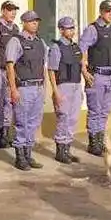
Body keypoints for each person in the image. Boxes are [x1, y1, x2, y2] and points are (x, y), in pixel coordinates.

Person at [4, 10, 48, 171]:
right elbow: (10, 66)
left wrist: (44, 88)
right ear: (24, 23)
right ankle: (20, 157)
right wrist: (13, 89)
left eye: (36, 21)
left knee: (33, 123)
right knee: (22, 123)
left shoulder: (40, 42)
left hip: (38, 87)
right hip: (24, 87)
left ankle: (28, 154)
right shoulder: (16, 41)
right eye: (31, 21)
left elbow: (43, 66)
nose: (35, 24)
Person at [79, 0, 111, 157]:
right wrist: (84, 70)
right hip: (97, 75)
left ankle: (100, 140)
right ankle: (93, 143)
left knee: (105, 110)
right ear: (101, 12)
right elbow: (82, 49)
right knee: (95, 110)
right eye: (108, 11)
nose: (110, 14)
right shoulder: (92, 29)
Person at [47, 16, 83, 165]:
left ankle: (67, 149)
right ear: (61, 30)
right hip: (63, 86)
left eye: (73, 28)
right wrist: (55, 92)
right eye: (68, 28)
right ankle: (60, 151)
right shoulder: (56, 48)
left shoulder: (75, 47)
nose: (72, 31)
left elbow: (80, 65)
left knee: (73, 118)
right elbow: (51, 70)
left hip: (76, 85)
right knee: (64, 117)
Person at [0, 0, 20, 148]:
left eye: (14, 10)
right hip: (0, 71)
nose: (13, 13)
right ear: (3, 11)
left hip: (12, 71)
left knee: (9, 102)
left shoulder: (15, 28)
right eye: (10, 10)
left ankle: (6, 133)